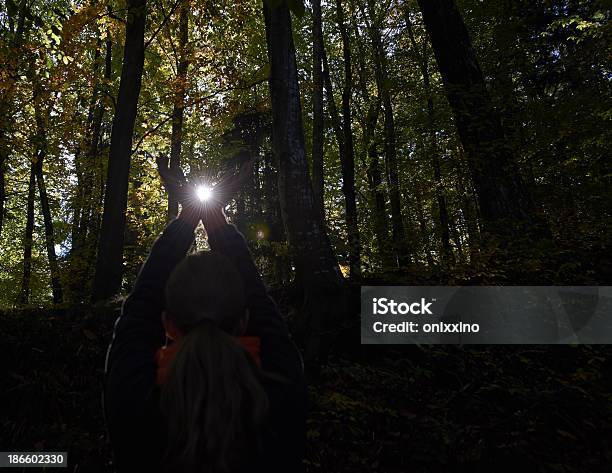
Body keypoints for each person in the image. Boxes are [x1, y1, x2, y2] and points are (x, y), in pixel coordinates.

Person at [103, 157, 307, 473]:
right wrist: (214, 216)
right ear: (243, 321)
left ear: (167, 323)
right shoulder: (277, 393)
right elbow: (259, 300)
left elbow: (141, 306)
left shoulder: (135, 402)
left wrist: (190, 213)